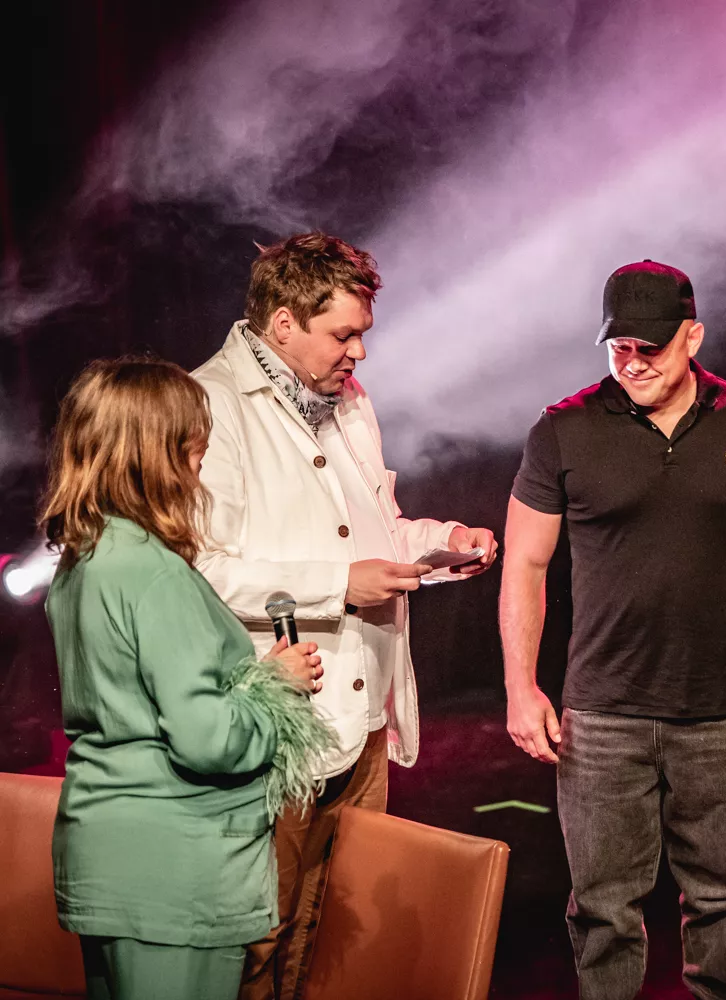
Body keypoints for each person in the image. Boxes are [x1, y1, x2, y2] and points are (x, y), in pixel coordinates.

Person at [192, 232, 498, 1000]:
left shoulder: (349, 400)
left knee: (331, 929)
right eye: (343, 334)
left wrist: (442, 545)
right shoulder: (209, 404)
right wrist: (336, 584)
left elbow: (376, 531)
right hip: (278, 723)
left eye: (363, 333)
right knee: (257, 932)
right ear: (283, 323)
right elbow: (201, 568)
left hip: (361, 716)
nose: (359, 352)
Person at [501, 260, 726, 1000]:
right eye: (620, 349)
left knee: (722, 894)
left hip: (720, 708)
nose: (633, 363)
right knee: (605, 906)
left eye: (651, 348)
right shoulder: (564, 429)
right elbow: (526, 565)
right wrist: (520, 687)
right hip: (603, 711)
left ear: (692, 337)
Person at [40, 358, 332, 1000]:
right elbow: (208, 739)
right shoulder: (154, 573)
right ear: (159, 453)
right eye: (194, 443)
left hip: (107, 855)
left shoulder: (85, 559)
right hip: (173, 871)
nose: (202, 459)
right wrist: (277, 688)